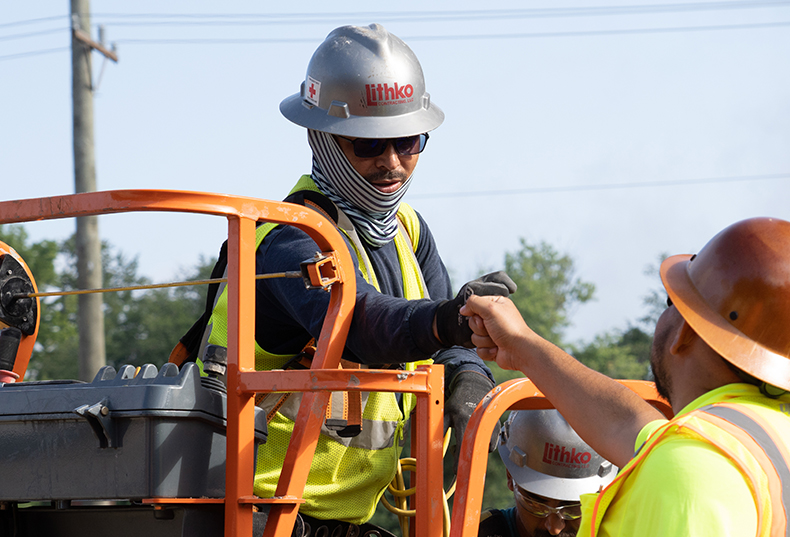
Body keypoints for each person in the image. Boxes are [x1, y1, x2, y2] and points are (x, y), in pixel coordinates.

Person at [174, 23, 515, 534]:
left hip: (343, 519)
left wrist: (468, 378)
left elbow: (448, 341)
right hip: (256, 512)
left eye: (408, 142)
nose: (392, 164)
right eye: (368, 145)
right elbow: (359, 323)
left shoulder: (409, 231)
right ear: (322, 138)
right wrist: (451, 320)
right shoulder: (288, 239)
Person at [461, 216, 790, 536]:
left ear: (685, 333)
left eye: (671, 302)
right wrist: (521, 345)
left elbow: (665, 452)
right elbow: (624, 424)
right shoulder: (756, 440)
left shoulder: (689, 469)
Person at [479, 409, 617, 537]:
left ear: (601, 491)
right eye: (535, 505)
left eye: (573, 509)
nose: (554, 528)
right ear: (510, 476)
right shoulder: (476, 531)